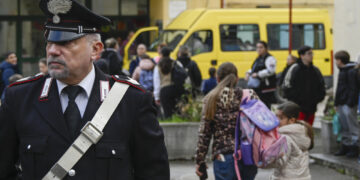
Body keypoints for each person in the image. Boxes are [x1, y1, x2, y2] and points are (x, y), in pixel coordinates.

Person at [0, 0, 170, 179]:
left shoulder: (131, 100)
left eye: (65, 43)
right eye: (50, 43)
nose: (53, 51)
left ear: (95, 50)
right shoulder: (20, 97)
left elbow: (154, 173)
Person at [196, 62, 258, 180]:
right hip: (248, 155)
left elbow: (204, 133)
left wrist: (200, 160)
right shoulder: (249, 95)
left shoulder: (211, 99)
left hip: (223, 156)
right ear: (237, 78)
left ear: (217, 79)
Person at [269, 101, 313, 180]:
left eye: (281, 118)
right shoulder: (302, 133)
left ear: (292, 120)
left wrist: (263, 161)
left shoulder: (286, 138)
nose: (277, 120)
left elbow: (280, 161)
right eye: (276, 117)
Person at [282, 46, 326, 126]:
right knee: (299, 129)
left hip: (312, 107)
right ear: (302, 56)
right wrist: (294, 99)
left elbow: (322, 86)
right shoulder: (294, 68)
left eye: (312, 53)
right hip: (298, 107)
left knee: (309, 130)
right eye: (309, 54)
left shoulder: (315, 70)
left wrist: (318, 99)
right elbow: (286, 85)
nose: (312, 56)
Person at [333, 50, 360, 158]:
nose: (335, 62)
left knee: (352, 125)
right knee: (344, 126)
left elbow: (354, 89)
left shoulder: (351, 71)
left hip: (348, 103)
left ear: (339, 60)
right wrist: (336, 103)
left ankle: (354, 146)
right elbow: (339, 88)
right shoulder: (343, 70)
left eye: (336, 60)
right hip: (342, 102)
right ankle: (346, 145)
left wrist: (349, 103)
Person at [153, 47, 185, 118]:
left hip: (164, 90)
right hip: (177, 89)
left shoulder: (158, 66)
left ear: (161, 54)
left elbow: (157, 83)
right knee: (177, 111)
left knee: (167, 113)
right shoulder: (176, 63)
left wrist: (157, 97)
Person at [245, 41, 277, 108]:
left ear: (266, 48)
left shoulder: (269, 58)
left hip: (266, 87)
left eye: (261, 47)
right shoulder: (258, 58)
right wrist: (248, 73)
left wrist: (258, 74)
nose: (259, 49)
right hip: (258, 87)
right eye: (257, 48)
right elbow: (254, 69)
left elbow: (270, 71)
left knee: (265, 105)